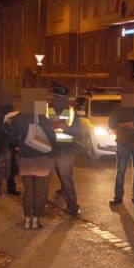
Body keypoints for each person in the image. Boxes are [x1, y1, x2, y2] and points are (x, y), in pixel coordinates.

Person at [9, 91, 56, 229]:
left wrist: (21, 144)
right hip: (40, 157)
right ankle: (36, 220)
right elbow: (52, 137)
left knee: (28, 190)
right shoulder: (41, 117)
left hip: (25, 157)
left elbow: (11, 139)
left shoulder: (18, 118)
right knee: (39, 191)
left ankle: (27, 220)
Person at [48, 83, 81, 217]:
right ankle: (39, 206)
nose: (60, 100)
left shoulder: (73, 112)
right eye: (57, 97)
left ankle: (72, 207)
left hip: (64, 151)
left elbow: (76, 131)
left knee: (67, 180)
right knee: (44, 180)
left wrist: (63, 126)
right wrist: (50, 126)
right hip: (48, 150)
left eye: (62, 98)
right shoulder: (44, 108)